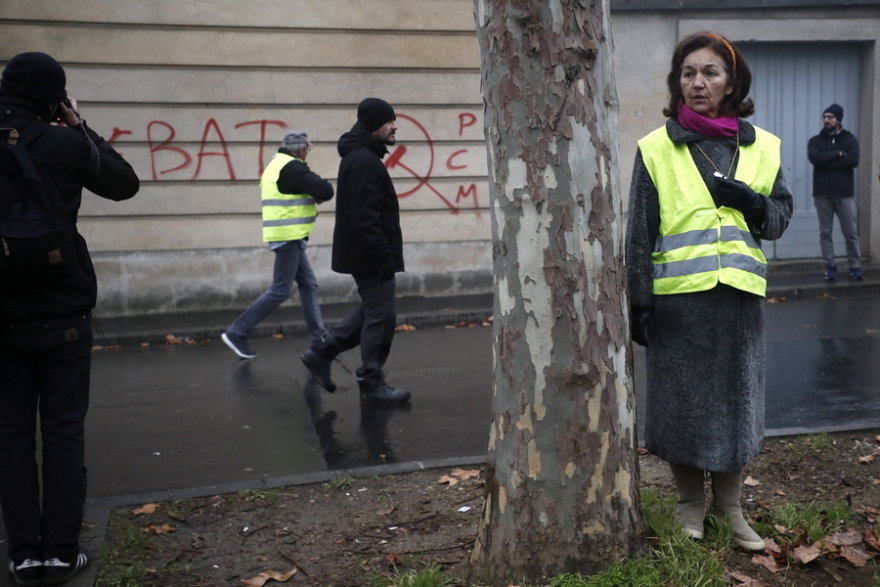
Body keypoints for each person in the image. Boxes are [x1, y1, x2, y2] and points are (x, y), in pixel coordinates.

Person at [625, 33, 793, 551]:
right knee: (681, 405)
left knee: (736, 404)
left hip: (738, 301)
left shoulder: (763, 146)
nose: (698, 83)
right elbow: (639, 232)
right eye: (688, 73)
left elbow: (778, 220)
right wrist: (639, 300)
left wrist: (751, 202)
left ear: (732, 83)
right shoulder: (656, 148)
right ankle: (688, 506)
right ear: (678, 83)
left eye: (710, 73)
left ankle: (730, 508)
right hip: (678, 302)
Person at [0, 52, 140, 585]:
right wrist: (80, 125)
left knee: (10, 435)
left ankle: (24, 555)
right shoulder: (64, 143)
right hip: (62, 309)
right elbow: (124, 182)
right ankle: (60, 553)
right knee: (62, 432)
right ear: (54, 99)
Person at [300, 98, 410, 404]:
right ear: (374, 125)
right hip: (370, 255)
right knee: (381, 316)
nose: (395, 126)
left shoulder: (362, 156)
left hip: (366, 253)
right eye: (389, 121)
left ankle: (322, 352)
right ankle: (370, 382)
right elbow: (365, 218)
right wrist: (383, 258)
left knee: (376, 311)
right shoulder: (364, 161)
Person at [221, 130, 333, 359]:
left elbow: (294, 193)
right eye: (307, 150)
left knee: (308, 284)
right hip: (288, 235)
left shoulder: (276, 164)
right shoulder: (293, 167)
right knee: (281, 289)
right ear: (302, 150)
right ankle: (237, 332)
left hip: (287, 234)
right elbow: (326, 190)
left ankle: (319, 336)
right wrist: (316, 195)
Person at [807, 103, 862, 281]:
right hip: (822, 193)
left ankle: (855, 266)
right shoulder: (816, 141)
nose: (826, 120)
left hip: (844, 193)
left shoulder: (850, 140)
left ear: (838, 119)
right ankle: (830, 266)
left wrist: (827, 160)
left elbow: (853, 160)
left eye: (830, 117)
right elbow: (815, 158)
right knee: (825, 232)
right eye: (824, 117)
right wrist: (838, 154)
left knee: (850, 232)